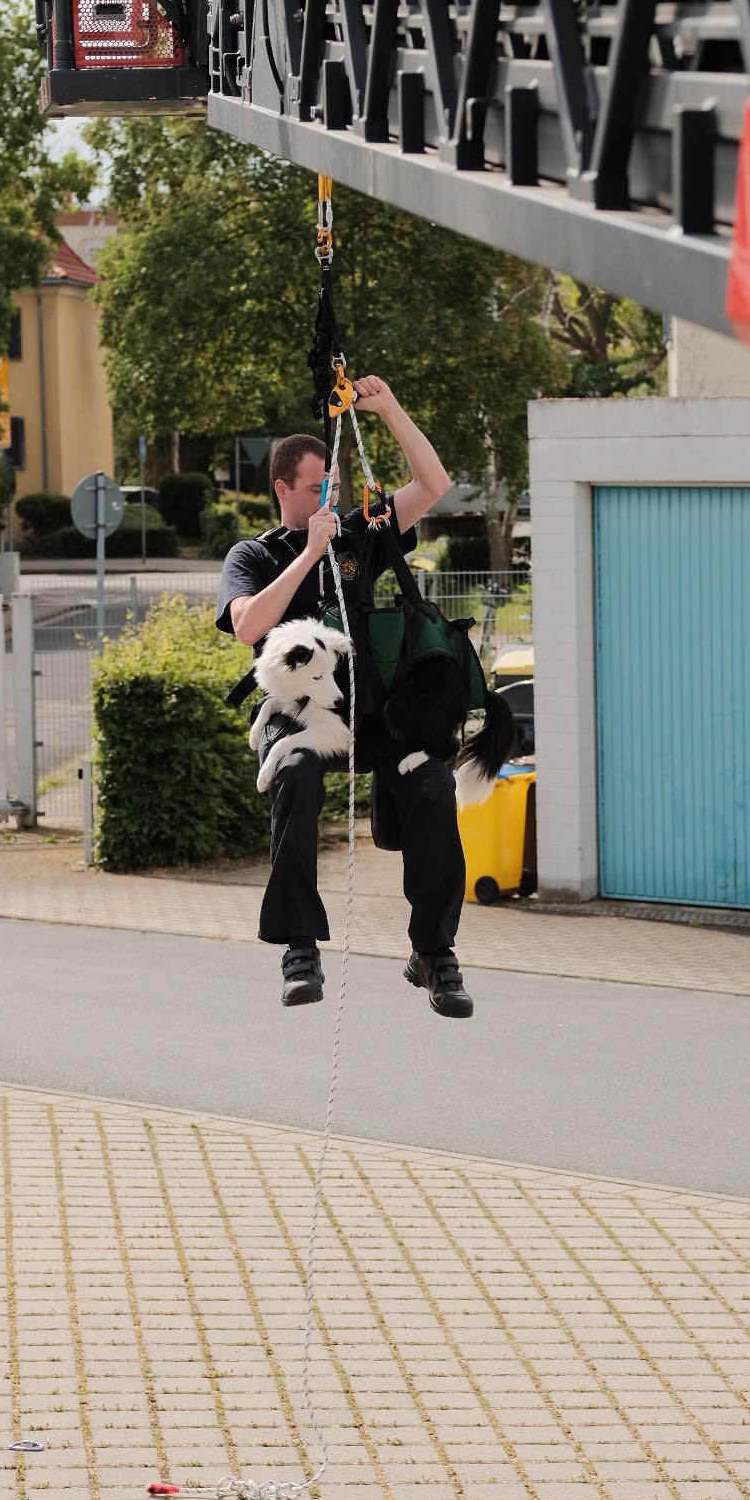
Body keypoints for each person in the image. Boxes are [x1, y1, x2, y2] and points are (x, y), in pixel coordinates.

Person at [216, 375, 473, 1018]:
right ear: (282, 490)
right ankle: (299, 947)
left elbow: (433, 485)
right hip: (299, 715)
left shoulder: (361, 534)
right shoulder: (255, 554)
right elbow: (248, 625)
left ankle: (435, 954)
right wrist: (308, 554)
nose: (328, 495)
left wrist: (387, 408)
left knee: (435, 784)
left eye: (331, 484)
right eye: (314, 488)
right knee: (296, 775)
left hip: (372, 714)